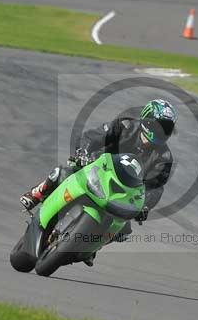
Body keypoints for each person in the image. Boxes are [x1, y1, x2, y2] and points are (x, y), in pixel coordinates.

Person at [20, 99, 177, 265]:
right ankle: (38, 192)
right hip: (96, 169)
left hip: (122, 194)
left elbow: (156, 187)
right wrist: (84, 152)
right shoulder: (125, 126)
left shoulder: (164, 158)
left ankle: (92, 247)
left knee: (123, 230)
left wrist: (145, 206)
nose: (161, 132)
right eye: (158, 126)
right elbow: (92, 137)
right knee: (63, 173)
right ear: (146, 121)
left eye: (166, 128)